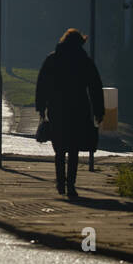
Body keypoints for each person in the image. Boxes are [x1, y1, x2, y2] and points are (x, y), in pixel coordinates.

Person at [35, 28, 105, 199]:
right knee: (73, 149)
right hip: (78, 109)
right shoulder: (84, 61)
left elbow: (42, 83)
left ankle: (60, 182)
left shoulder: (53, 58)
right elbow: (95, 87)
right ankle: (71, 185)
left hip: (57, 109)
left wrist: (41, 106)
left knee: (59, 149)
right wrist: (98, 110)